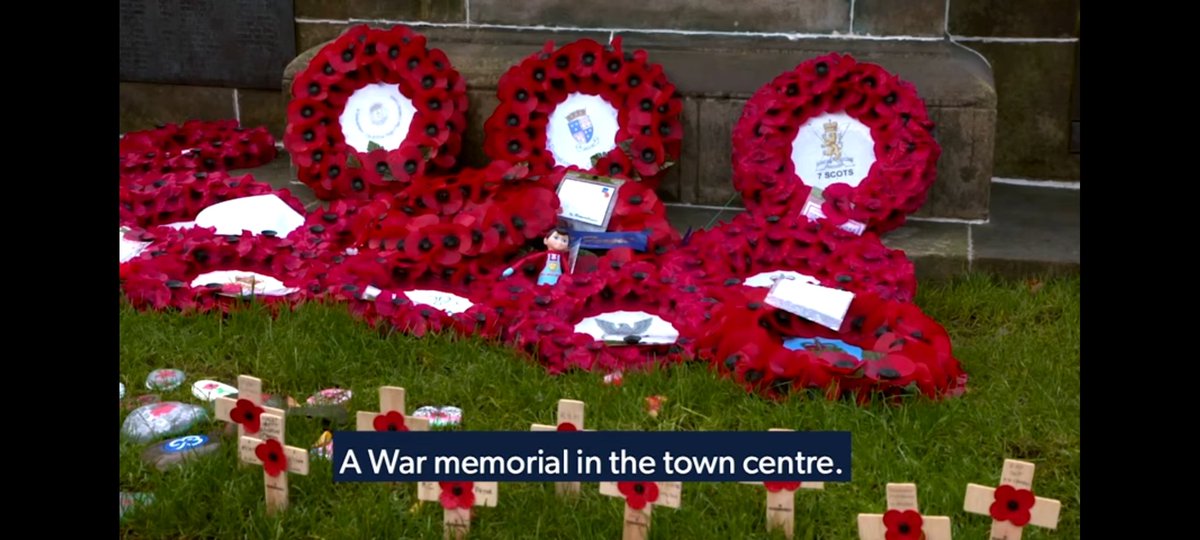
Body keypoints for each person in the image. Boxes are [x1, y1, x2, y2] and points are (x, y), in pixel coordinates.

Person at [501, 227, 571, 286]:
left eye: (564, 240)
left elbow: (566, 269)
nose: (559, 242)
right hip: (543, 278)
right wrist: (512, 269)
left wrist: (568, 278)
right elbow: (527, 260)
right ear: (545, 241)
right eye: (556, 238)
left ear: (567, 247)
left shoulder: (562, 258)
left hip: (557, 280)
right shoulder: (543, 255)